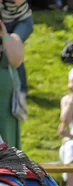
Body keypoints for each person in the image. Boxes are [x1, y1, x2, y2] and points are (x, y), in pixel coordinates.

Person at [0, 0, 33, 94]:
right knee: (7, 54)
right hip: (4, 24)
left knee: (14, 50)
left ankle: (22, 90)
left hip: (22, 22)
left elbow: (19, 1)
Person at [0, 20, 24, 149]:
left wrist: (4, 35)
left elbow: (16, 60)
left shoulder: (13, 38)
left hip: (7, 104)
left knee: (7, 135)